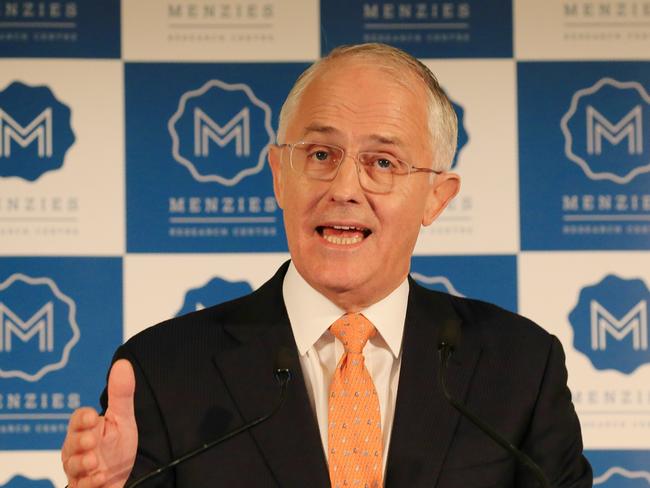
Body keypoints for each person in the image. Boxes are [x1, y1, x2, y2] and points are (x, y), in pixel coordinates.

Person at [61, 43, 592, 487]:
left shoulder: (520, 367)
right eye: (320, 155)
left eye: (382, 162)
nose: (344, 189)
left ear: (436, 197)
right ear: (278, 175)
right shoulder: (163, 370)